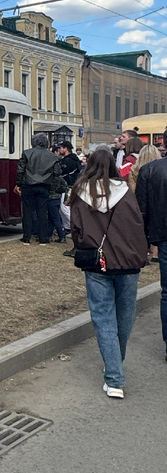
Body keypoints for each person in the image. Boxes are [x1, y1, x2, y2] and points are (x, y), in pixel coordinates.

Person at [69, 148, 148, 399]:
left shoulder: (80, 192)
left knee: (103, 317)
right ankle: (115, 365)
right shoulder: (125, 192)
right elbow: (136, 225)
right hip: (127, 261)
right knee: (125, 316)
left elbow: (75, 228)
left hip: (96, 260)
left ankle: (114, 376)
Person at [133, 146, 167, 357]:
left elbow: (141, 209)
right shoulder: (150, 170)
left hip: (162, 234)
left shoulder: (149, 170)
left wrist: (144, 240)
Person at [15, 132, 58, 244]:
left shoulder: (27, 153)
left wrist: (19, 184)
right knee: (42, 212)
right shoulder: (52, 156)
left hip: (28, 185)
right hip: (44, 185)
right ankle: (43, 238)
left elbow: (20, 170)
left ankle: (26, 237)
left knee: (27, 212)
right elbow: (57, 172)